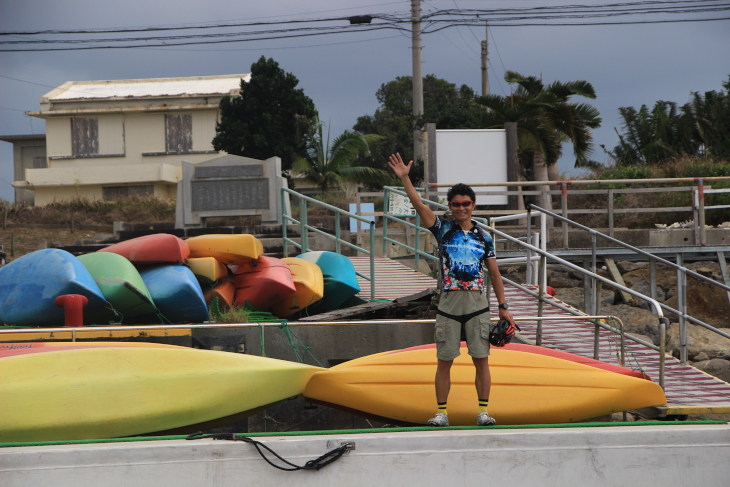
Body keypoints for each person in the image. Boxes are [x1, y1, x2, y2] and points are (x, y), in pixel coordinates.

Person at [388, 153, 515, 427]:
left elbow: (494, 273)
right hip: (448, 305)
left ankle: (483, 411)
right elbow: (418, 204)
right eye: (456, 204)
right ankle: (441, 413)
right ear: (450, 206)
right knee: (444, 360)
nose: (461, 208)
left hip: (478, 306)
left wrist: (504, 308)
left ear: (473, 205)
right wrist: (405, 178)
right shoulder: (442, 228)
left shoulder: (484, 236)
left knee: (481, 360)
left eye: (466, 204)